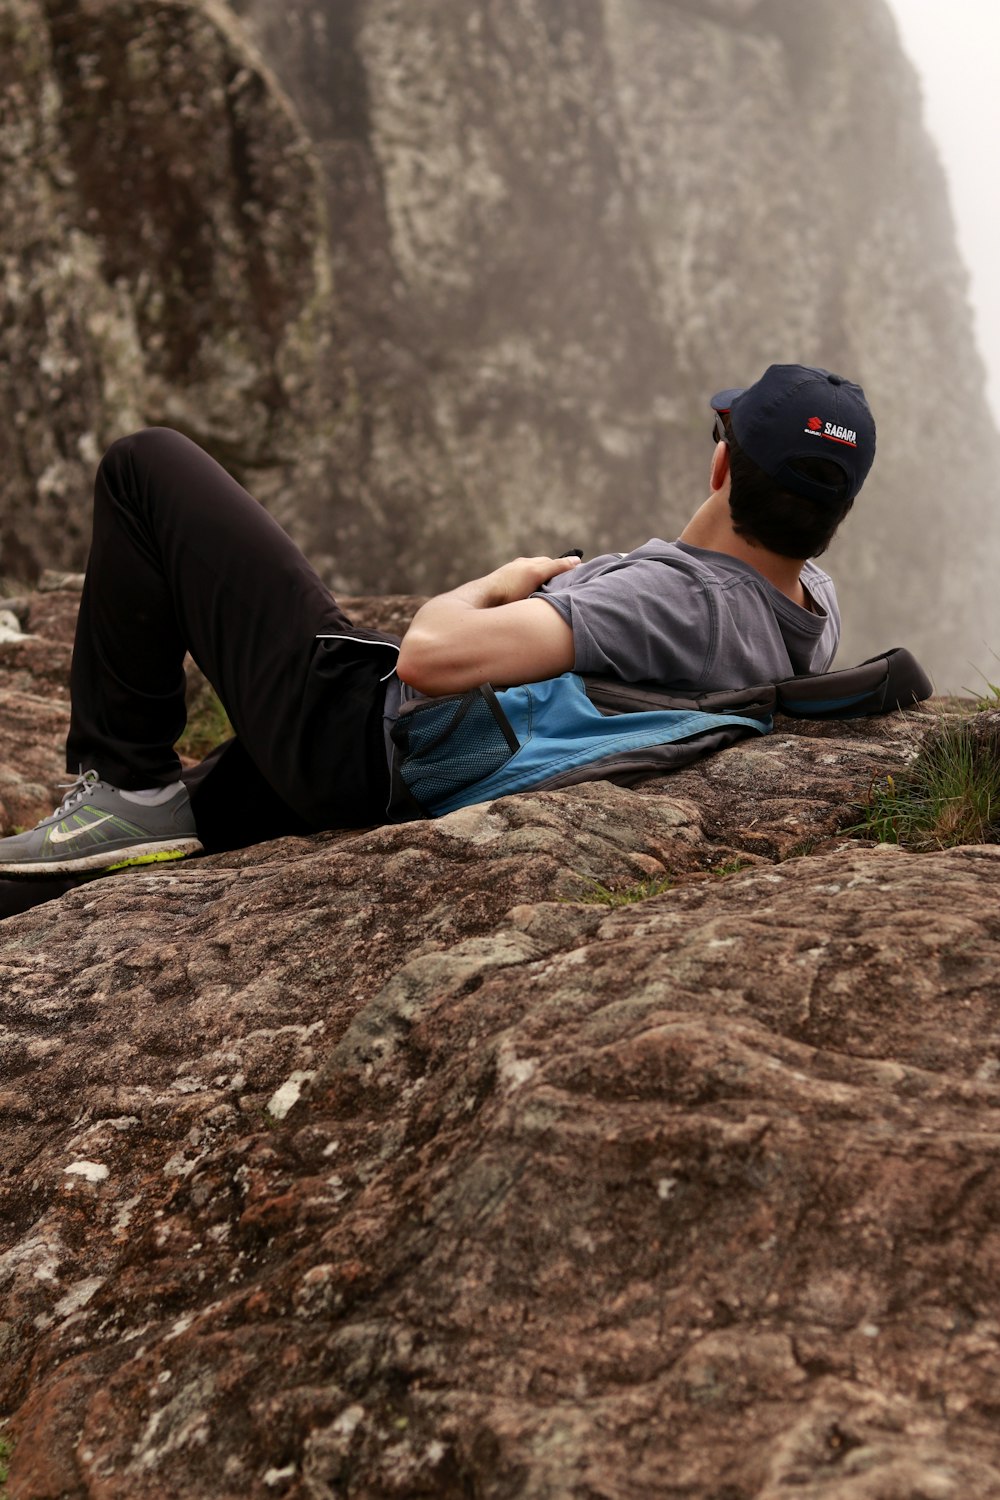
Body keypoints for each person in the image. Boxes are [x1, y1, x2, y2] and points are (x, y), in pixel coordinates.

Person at [0, 363, 875, 885]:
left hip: (358, 733)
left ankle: (128, 785)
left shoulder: (675, 601)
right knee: (63, 875)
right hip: (386, 765)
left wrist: (500, 582)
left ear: (722, 460)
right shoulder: (810, 612)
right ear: (827, 520)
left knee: (146, 465)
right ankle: (140, 821)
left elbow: (428, 656)